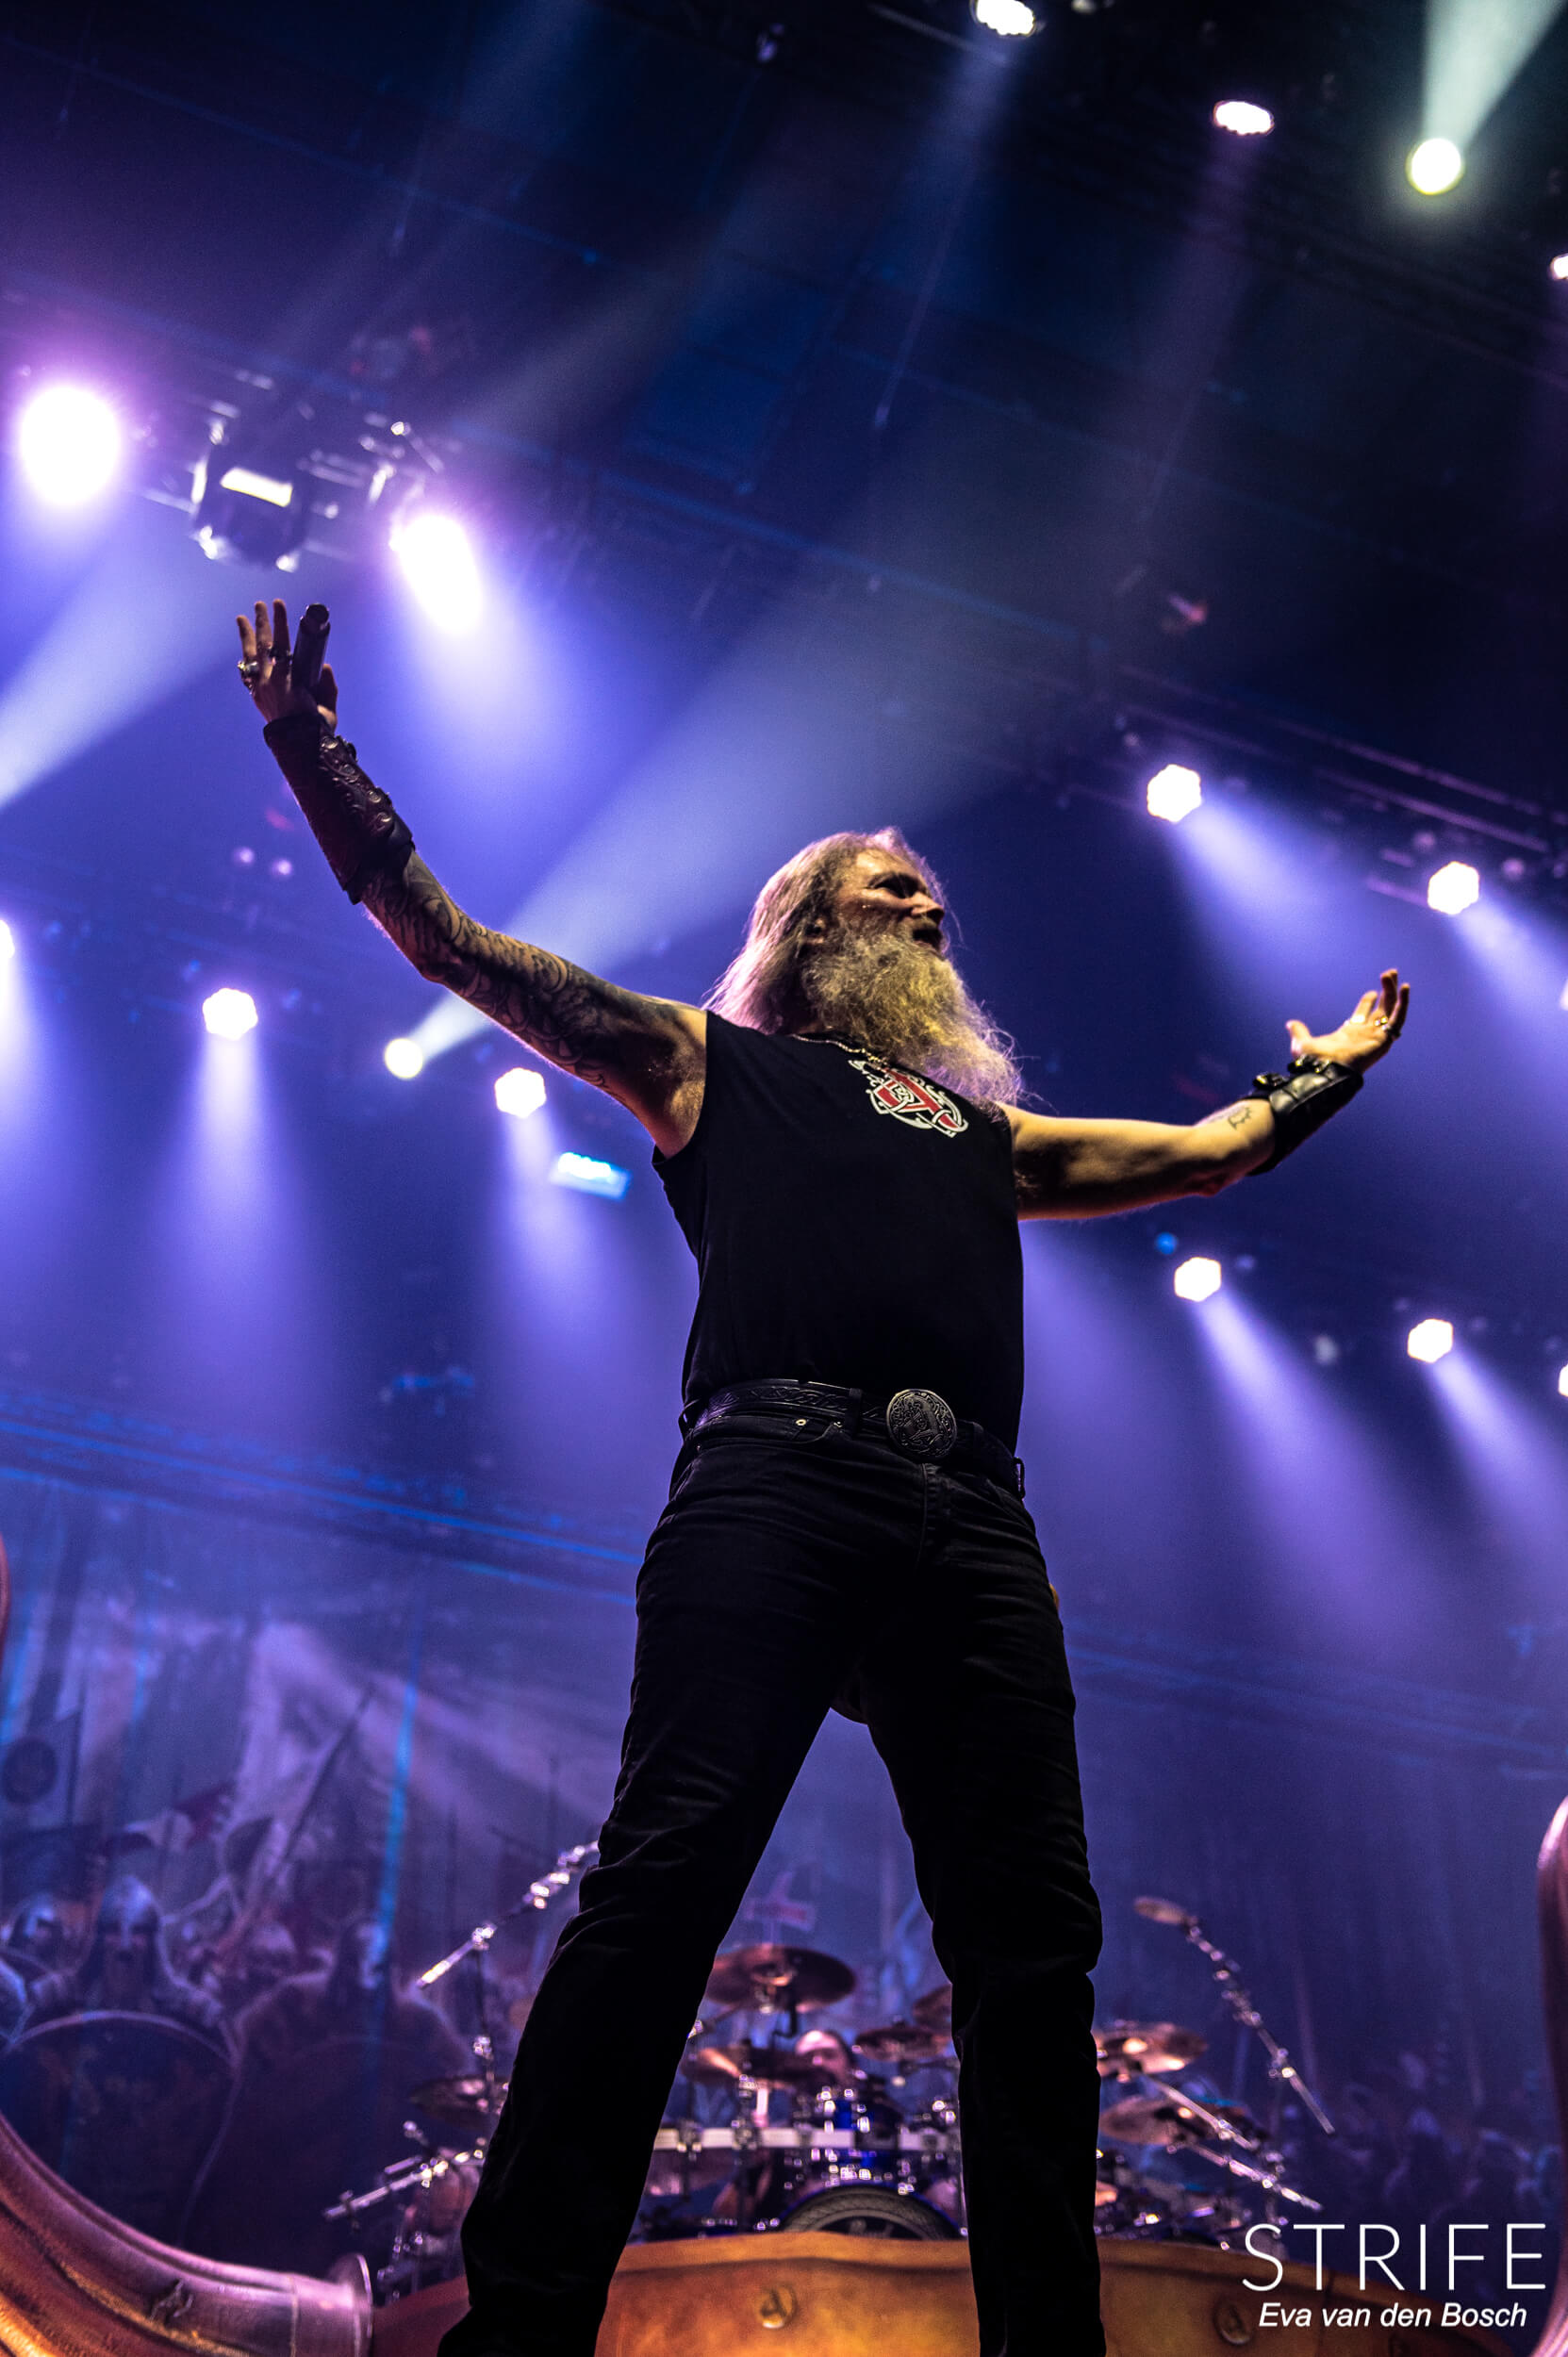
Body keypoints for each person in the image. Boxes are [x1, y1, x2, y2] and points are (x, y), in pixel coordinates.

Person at [236, 598, 1409, 2357]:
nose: (930, 911)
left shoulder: (984, 1136)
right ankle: (524, 2329)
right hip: (774, 1483)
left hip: (975, 1523)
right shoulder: (711, 1065)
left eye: (932, 898)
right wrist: (318, 757)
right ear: (807, 925)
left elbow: (1205, 1153)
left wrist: (1314, 1084)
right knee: (665, 1884)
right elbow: (455, 945)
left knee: (1036, 1952)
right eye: (891, 891)